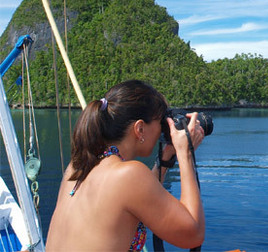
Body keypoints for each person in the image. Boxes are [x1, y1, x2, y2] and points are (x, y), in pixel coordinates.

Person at [46, 79, 206, 251]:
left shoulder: (77, 166)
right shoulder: (129, 175)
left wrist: (165, 160)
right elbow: (193, 235)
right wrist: (185, 153)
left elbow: (137, 198)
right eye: (160, 123)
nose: (162, 131)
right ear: (140, 129)